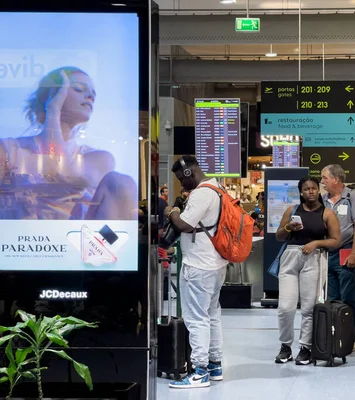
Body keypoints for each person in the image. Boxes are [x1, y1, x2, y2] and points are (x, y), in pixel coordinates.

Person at [0, 67, 137, 221]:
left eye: (93, 93)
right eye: (78, 89)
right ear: (53, 94)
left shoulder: (98, 158)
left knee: (122, 183)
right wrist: (53, 109)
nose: (90, 96)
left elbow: (60, 174)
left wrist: (52, 112)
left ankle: (113, 243)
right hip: (19, 243)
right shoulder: (9, 149)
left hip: (77, 242)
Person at [164, 156, 228, 389]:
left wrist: (172, 211)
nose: (181, 184)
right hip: (216, 263)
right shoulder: (218, 188)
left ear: (190, 173)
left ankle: (200, 371)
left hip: (199, 265)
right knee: (212, 315)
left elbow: (184, 225)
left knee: (196, 318)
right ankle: (214, 365)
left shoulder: (201, 193)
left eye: (182, 179)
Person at [274, 177, 341, 365]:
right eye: (306, 189)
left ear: (318, 190)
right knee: (285, 307)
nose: (310, 192)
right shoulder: (292, 211)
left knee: (308, 307)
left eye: (313, 188)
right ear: (301, 192)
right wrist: (289, 227)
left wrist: (317, 243)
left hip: (314, 257)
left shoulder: (327, 213)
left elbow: (336, 240)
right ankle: (285, 346)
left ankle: (306, 347)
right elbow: (279, 236)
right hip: (290, 258)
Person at [321, 164, 355, 339]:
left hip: (346, 252)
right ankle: (333, 334)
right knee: (331, 297)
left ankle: (349, 335)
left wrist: (354, 252)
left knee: (348, 296)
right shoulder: (322, 199)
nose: (322, 181)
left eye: (325, 178)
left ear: (335, 179)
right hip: (326, 254)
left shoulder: (352, 196)